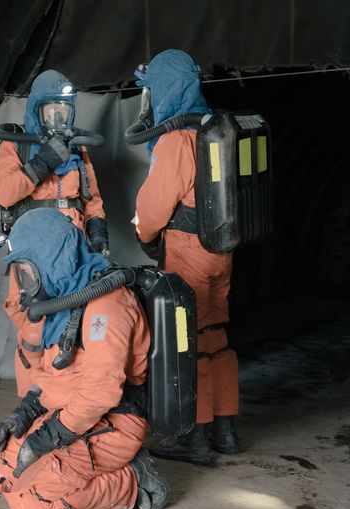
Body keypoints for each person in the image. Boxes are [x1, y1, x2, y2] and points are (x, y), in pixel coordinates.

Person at [0, 209, 169, 509]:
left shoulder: (105, 306)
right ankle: (64, 466)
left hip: (112, 423)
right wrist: (26, 411)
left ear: (50, 260)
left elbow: (100, 394)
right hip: (67, 417)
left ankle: (133, 482)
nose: (24, 285)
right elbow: (56, 372)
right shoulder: (65, 297)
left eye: (27, 272)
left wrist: (45, 439)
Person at [131, 49, 240, 465]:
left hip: (189, 250)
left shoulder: (178, 138)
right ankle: (225, 430)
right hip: (221, 249)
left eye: (152, 90)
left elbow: (155, 205)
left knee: (186, 342)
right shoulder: (217, 129)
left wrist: (143, 233)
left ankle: (191, 438)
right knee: (217, 336)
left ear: (167, 89)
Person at [0, 69, 109, 398]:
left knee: (75, 319)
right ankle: (32, 401)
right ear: (36, 109)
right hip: (34, 252)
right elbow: (5, 192)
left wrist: (99, 236)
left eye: (64, 110)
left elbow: (93, 199)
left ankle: (66, 400)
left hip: (74, 249)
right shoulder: (15, 145)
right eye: (51, 110)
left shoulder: (78, 150)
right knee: (32, 321)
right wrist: (43, 161)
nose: (58, 117)